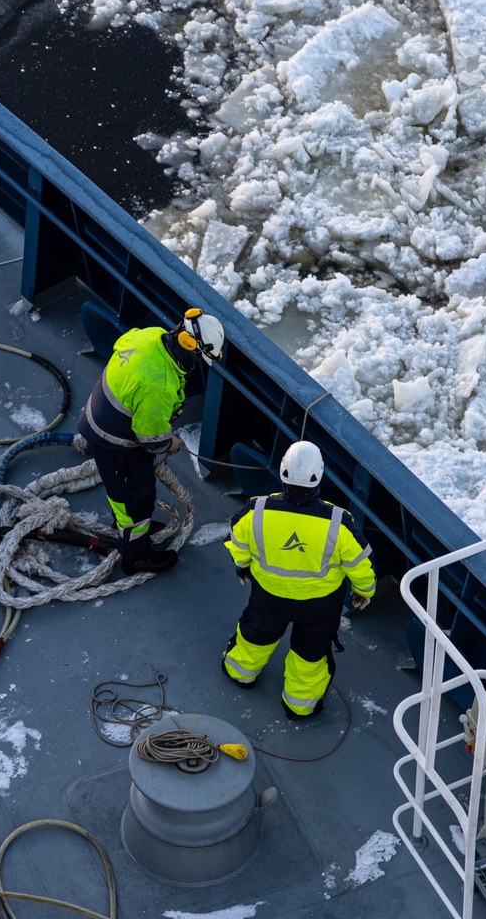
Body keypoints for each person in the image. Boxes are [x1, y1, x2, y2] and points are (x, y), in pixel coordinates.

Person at [222, 441, 377, 718]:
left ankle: (240, 673)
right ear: (319, 476)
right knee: (310, 653)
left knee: (256, 634)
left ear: (282, 472)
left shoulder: (256, 510)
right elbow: (359, 564)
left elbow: (237, 543)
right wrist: (363, 591)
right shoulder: (338, 523)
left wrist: (242, 568)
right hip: (319, 605)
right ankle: (299, 705)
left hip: (268, 595)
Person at [79, 308, 226, 575]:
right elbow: (149, 438)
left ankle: (128, 526)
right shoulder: (159, 385)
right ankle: (135, 556)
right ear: (188, 345)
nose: (198, 363)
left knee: (127, 494)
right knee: (137, 498)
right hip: (113, 441)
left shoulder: (153, 335)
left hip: (99, 414)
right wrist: (168, 442)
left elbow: (120, 345)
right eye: (199, 356)